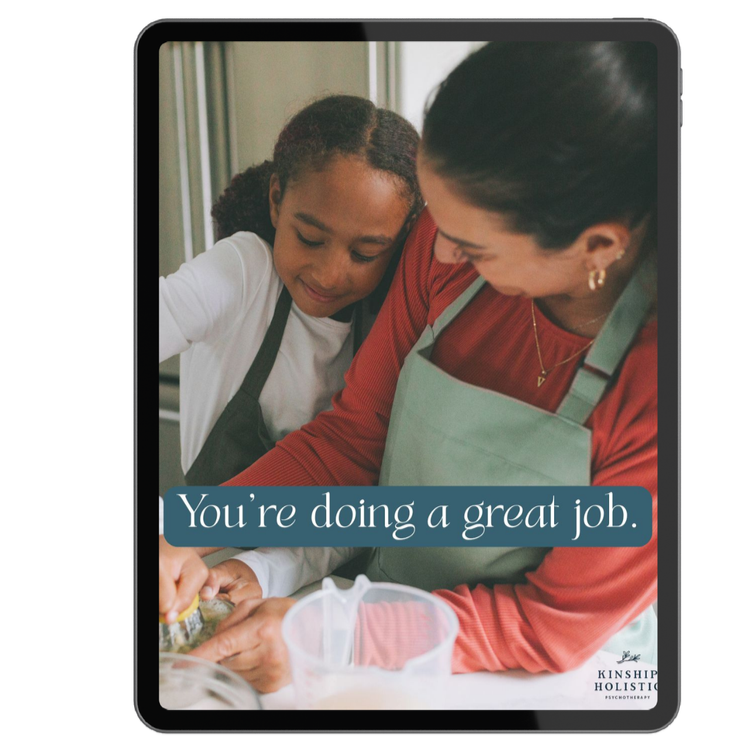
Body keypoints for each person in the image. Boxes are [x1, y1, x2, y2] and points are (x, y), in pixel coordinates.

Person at [178, 42, 661, 693]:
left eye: (474, 245)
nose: (443, 251)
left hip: (537, 669)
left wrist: (339, 634)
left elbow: (553, 624)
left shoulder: (657, 383)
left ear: (596, 248)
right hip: (379, 594)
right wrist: (185, 527)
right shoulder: (441, 244)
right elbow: (354, 438)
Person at [155, 95, 422, 621]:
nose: (329, 273)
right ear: (277, 198)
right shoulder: (243, 273)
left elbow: (350, 508)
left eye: (365, 254)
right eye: (310, 238)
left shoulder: (389, 333)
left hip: (296, 585)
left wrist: (266, 569)